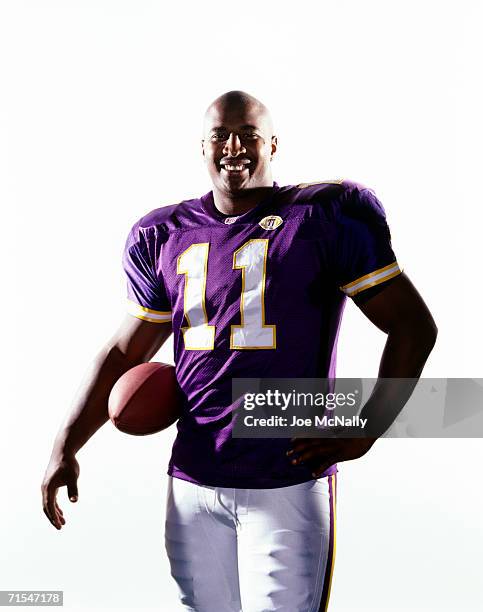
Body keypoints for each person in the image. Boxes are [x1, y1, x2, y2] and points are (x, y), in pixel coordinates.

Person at [41, 90, 437, 611]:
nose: (233, 147)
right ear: (200, 147)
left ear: (273, 144)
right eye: (219, 136)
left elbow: (413, 327)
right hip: (193, 483)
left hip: (285, 480)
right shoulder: (166, 234)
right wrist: (65, 446)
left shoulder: (321, 216)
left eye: (248, 135)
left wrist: (369, 425)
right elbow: (122, 353)